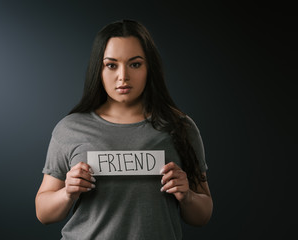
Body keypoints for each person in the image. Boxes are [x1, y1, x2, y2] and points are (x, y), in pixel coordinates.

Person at [35, 19, 213, 240]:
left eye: (135, 64)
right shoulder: (70, 129)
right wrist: (67, 193)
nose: (123, 76)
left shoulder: (181, 127)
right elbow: (43, 213)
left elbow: (202, 215)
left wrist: (187, 196)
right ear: (98, 69)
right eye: (111, 65)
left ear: (150, 68)